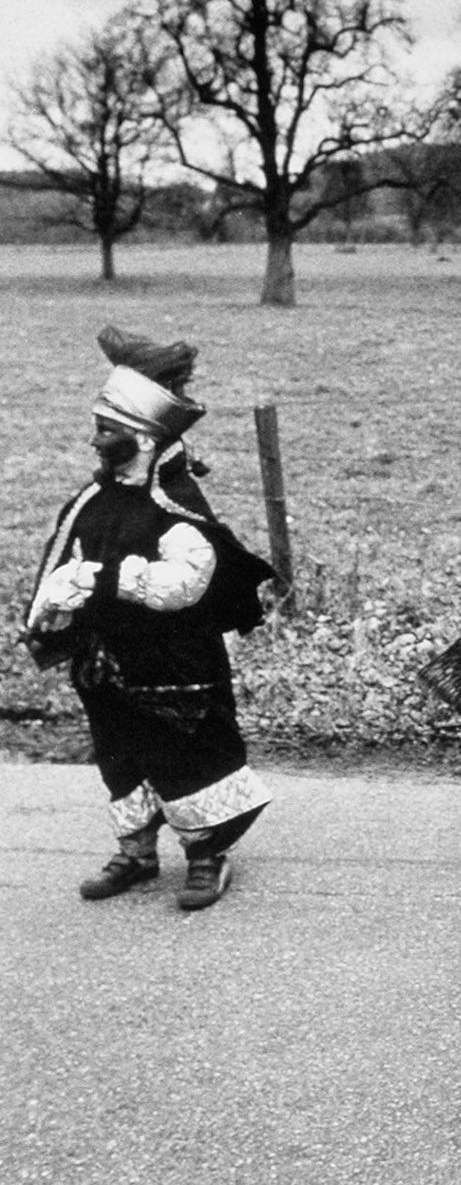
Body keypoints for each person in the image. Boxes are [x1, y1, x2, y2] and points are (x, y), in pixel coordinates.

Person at [24, 327, 274, 911]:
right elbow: (62, 561)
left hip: (175, 661)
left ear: (140, 435)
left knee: (189, 753)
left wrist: (106, 580)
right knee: (120, 754)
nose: (94, 440)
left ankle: (207, 856)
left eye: (105, 430)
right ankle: (136, 852)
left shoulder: (177, 503)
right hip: (107, 662)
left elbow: (187, 585)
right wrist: (54, 609)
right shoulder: (94, 499)